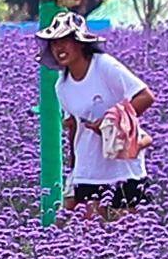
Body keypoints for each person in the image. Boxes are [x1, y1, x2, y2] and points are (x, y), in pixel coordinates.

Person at [39, 17, 153, 215]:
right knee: (89, 237)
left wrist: (111, 122)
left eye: (66, 41)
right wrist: (73, 171)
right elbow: (73, 127)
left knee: (127, 234)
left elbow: (145, 97)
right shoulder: (62, 85)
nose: (59, 48)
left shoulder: (105, 67)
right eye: (54, 43)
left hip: (123, 170)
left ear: (81, 43)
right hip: (88, 172)